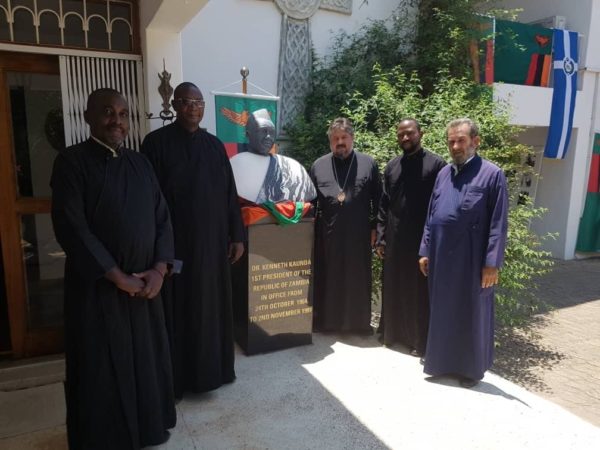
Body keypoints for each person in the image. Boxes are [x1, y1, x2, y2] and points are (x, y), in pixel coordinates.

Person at [51, 88, 175, 448]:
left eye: (123, 114)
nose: (117, 121)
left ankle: (149, 428)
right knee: (101, 366)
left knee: (146, 361)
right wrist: (116, 275)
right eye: (107, 112)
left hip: (145, 287)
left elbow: (162, 217)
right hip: (98, 289)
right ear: (88, 117)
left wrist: (159, 269)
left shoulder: (141, 163)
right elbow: (72, 226)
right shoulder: (71, 162)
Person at [141, 82, 245, 398]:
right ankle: (180, 378)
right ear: (175, 105)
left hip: (213, 247)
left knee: (211, 308)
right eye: (186, 102)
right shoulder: (155, 144)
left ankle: (216, 371)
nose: (193, 108)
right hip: (175, 247)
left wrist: (237, 235)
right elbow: (149, 200)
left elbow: (229, 194)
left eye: (199, 103)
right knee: (180, 310)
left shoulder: (215, 146)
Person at [418, 118, 508, 388]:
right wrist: (425, 250)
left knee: (471, 313)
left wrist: (492, 263)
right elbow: (431, 215)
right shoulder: (444, 174)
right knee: (442, 311)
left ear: (475, 142)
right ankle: (440, 364)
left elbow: (498, 223)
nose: (455, 146)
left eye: (461, 140)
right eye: (451, 141)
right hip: (441, 257)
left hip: (473, 260)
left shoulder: (492, 174)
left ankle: (469, 371)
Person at [375, 118, 446, 355]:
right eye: (401, 134)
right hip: (394, 239)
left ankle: (418, 342)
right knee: (393, 287)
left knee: (418, 293)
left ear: (420, 134)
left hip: (421, 240)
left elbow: (440, 206)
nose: (405, 138)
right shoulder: (392, 166)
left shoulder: (437, 166)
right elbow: (384, 204)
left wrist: (431, 243)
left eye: (410, 133)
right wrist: (381, 237)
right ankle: (390, 334)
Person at [310, 117, 382, 333]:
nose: (340, 142)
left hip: (358, 235)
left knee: (355, 279)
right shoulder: (318, 165)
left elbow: (378, 200)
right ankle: (327, 323)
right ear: (330, 141)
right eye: (335, 138)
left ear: (352, 138)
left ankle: (357, 325)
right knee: (329, 278)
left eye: (344, 137)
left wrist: (375, 229)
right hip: (328, 235)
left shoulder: (368, 164)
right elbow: (310, 203)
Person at [230, 108, 316, 204]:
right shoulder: (234, 164)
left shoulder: (292, 166)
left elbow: (308, 196)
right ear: (248, 134)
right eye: (263, 131)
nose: (268, 136)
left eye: (272, 132)